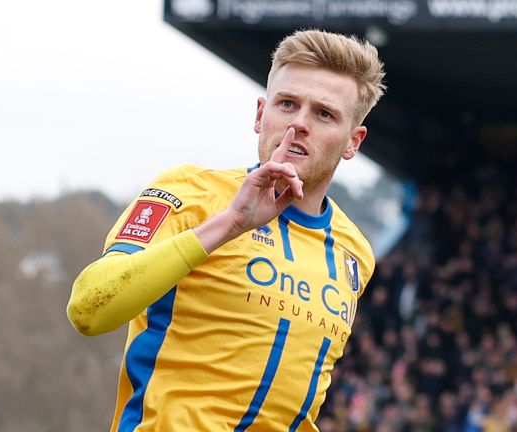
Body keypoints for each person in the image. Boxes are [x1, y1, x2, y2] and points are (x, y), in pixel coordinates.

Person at [66, 28, 386, 431]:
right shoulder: (188, 191)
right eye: (287, 104)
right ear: (259, 114)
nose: (300, 123)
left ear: (352, 142)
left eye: (324, 114)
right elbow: (88, 309)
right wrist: (229, 224)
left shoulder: (353, 251)